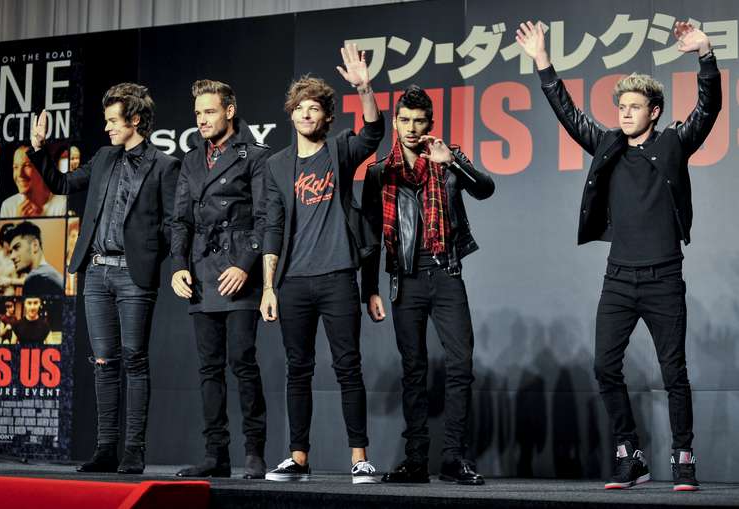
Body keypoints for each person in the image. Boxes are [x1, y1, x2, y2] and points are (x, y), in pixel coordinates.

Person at [516, 20, 721, 491]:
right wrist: (543, 62)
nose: (626, 113)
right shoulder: (607, 144)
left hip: (664, 277)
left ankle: (683, 456)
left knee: (674, 372)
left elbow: (708, 109)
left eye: (635, 107)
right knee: (605, 367)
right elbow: (570, 115)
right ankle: (630, 455)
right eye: (621, 107)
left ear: (654, 111)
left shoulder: (673, 143)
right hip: (619, 279)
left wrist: (706, 54)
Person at [27, 83, 180, 474]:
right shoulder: (104, 157)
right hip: (96, 272)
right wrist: (39, 149)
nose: (107, 127)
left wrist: (148, 256)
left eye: (113, 120)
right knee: (103, 362)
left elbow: (172, 224)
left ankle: (134, 451)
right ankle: (106, 449)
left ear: (135, 120)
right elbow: (63, 184)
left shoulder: (164, 165)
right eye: (107, 120)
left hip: (133, 275)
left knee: (134, 359)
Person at [260, 43, 384, 484]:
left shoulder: (339, 151)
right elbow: (272, 226)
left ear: (327, 117)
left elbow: (373, 133)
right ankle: (298, 457)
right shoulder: (276, 166)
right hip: (293, 281)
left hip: (337, 277)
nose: (306, 114)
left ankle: (359, 458)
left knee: (348, 366)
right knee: (298, 370)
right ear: (291, 115)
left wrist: (364, 88)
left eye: (314, 108)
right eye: (300, 108)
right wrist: (269, 286)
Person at [361, 85, 495, 484]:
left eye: (419, 121)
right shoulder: (379, 172)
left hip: (446, 272)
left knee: (460, 364)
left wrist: (452, 162)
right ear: (395, 123)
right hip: (405, 279)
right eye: (404, 120)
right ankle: (416, 459)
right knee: (414, 370)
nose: (411, 128)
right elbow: (369, 235)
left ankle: (453, 457)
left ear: (430, 123)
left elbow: (485, 189)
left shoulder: (447, 158)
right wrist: (369, 289)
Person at [171, 80, 269, 479]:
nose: (202, 119)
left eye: (209, 111)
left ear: (229, 111)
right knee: (209, 369)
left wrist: (245, 264)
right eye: (198, 113)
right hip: (201, 272)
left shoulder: (254, 156)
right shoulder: (191, 160)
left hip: (238, 272)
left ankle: (255, 452)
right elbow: (179, 219)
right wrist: (179, 265)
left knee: (242, 361)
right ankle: (216, 454)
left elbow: (264, 218)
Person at [0, 146, 66, 218]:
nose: (19, 174)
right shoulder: (7, 206)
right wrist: (18, 221)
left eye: (27, 165)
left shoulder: (63, 204)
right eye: (15, 167)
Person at [4, 221, 64, 296]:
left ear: (35, 245)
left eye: (17, 248)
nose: (12, 257)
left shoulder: (35, 279)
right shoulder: (52, 275)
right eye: (11, 252)